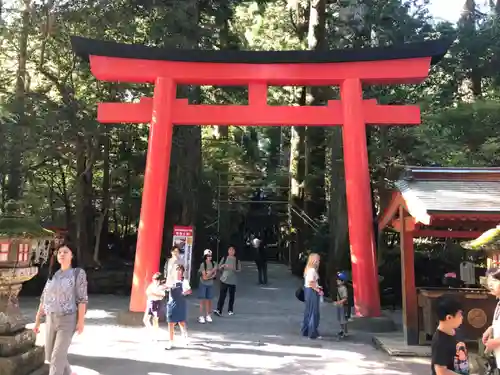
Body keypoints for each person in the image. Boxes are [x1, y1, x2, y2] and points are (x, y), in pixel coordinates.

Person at [33, 244, 88, 375]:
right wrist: (37, 320)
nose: (62, 254)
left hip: (68, 319)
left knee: (57, 357)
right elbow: (44, 298)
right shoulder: (54, 275)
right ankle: (69, 373)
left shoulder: (78, 273)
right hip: (51, 318)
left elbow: (82, 299)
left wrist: (81, 321)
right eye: (59, 253)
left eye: (65, 252)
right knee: (51, 353)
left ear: (72, 255)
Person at [431, 296, 469, 375]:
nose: (462, 317)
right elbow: (441, 371)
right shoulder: (439, 342)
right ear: (449, 317)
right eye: (460, 315)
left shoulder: (457, 332)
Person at [166, 264, 192, 350]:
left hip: (181, 303)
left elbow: (189, 290)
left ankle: (185, 337)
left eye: (180, 270)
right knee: (171, 323)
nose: (178, 272)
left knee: (182, 322)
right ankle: (170, 341)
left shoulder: (185, 281)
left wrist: (185, 293)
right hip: (171, 303)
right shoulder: (171, 281)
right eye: (177, 270)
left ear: (182, 272)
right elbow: (165, 288)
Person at [214, 246, 241, 317]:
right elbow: (218, 268)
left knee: (232, 296)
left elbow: (239, 270)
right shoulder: (225, 258)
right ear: (228, 251)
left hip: (233, 280)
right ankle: (219, 310)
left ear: (235, 252)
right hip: (224, 279)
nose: (231, 251)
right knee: (222, 295)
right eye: (230, 250)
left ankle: (230, 310)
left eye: (233, 250)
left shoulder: (237, 260)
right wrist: (222, 266)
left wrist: (234, 269)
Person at [301, 253, 323, 340]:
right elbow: (311, 282)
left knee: (308, 311)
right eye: (318, 260)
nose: (319, 262)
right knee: (314, 312)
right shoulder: (312, 270)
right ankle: (312, 332)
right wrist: (318, 290)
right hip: (312, 291)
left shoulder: (309, 269)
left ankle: (306, 330)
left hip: (308, 290)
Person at [482, 268, 500, 368]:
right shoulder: (498, 303)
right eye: (489, 281)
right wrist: (491, 329)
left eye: (494, 281)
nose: (490, 285)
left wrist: (495, 342)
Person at [198, 249, 217, 324]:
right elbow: (205, 277)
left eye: (210, 256)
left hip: (210, 284)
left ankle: (208, 315)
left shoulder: (214, 263)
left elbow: (215, 274)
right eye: (208, 256)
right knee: (202, 300)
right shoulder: (203, 264)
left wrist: (210, 274)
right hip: (203, 284)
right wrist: (211, 273)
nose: (209, 257)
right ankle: (201, 316)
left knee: (209, 300)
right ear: (205, 256)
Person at [335, 271, 349, 338]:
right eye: (337, 279)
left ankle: (345, 332)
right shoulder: (338, 288)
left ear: (343, 281)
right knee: (340, 319)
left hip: (343, 306)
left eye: (339, 280)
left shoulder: (343, 288)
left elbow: (345, 298)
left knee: (343, 319)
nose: (337, 280)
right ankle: (342, 330)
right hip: (340, 306)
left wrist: (338, 302)